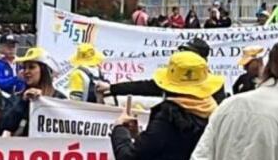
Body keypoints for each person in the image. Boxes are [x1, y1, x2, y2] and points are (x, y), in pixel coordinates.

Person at [97, 38, 228, 106]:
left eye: (188, 53)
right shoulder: (173, 78)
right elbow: (145, 86)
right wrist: (111, 88)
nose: (181, 55)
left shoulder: (214, 85)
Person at [0, 47, 65, 136]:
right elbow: (5, 125)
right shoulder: (18, 97)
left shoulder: (60, 99)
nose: (26, 71)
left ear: (44, 70)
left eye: (31, 67)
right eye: (24, 67)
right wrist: (23, 102)